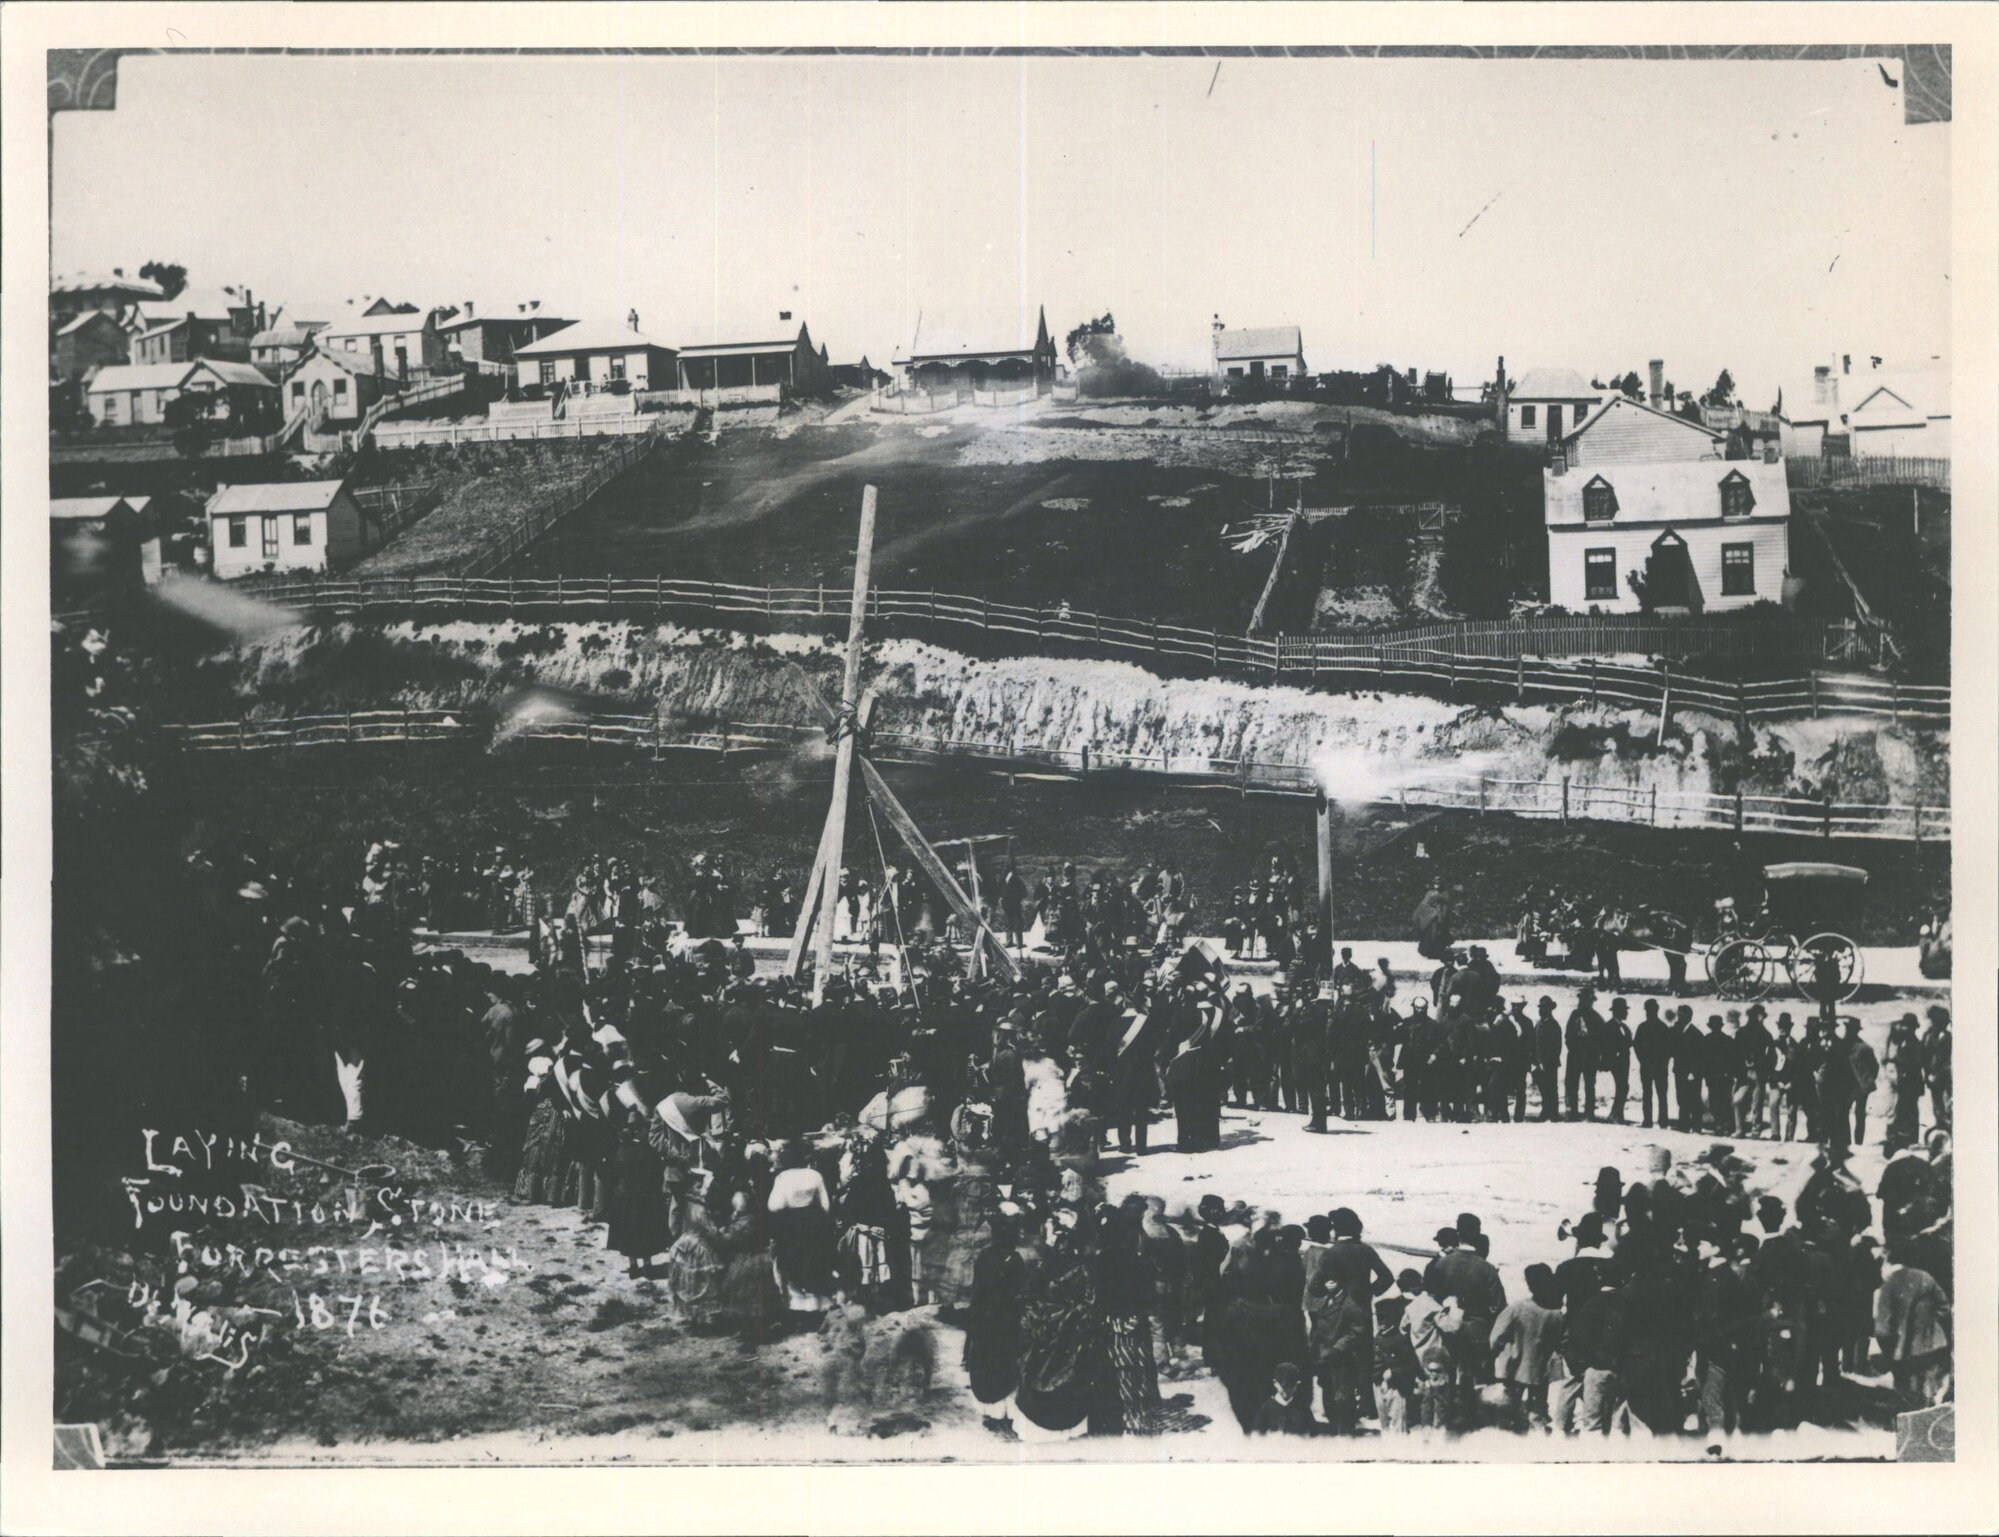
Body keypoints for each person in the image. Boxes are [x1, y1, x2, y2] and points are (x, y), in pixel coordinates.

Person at [964, 1213, 1029, 1430]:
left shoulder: (985, 1257)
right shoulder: (1015, 1259)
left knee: (988, 1364)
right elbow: (1021, 1291)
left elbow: (978, 1291)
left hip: (987, 1320)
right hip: (1006, 1320)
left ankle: (993, 1412)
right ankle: (1007, 1411)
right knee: (1006, 1364)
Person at [766, 1139, 838, 1321]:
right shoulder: (814, 1175)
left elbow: (774, 1205)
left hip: (791, 1226)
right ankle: (819, 1307)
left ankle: (799, 1310)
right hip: (814, 1225)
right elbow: (826, 1205)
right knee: (814, 1264)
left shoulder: (782, 1178)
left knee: (793, 1266)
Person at [1874, 1244, 1952, 1410]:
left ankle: (1908, 1420)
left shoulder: (1889, 1285)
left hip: (1904, 1348)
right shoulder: (1925, 1277)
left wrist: (1889, 1350)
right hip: (1933, 1342)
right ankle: (1927, 1414)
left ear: (1888, 1262)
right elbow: (1944, 1308)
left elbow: (1882, 1329)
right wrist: (1927, 1323)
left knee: (1906, 1390)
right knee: (1927, 1385)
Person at [1882, 1014, 1928, 1156]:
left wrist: (1897, 1062)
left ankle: (1910, 1139)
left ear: (1912, 1028)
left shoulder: (1914, 1043)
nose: (1904, 1028)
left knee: (1909, 1110)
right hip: (1906, 1083)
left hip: (1911, 1083)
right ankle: (1905, 1139)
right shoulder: (1905, 1041)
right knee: (1904, 1110)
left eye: (1907, 1026)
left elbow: (1917, 1063)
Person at [1251, 1362, 1317, 1437]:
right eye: (1284, 1387)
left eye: (1291, 1386)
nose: (1287, 1390)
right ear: (1275, 1383)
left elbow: (1313, 1437)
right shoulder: (1266, 1409)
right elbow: (1257, 1439)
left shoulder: (1303, 1409)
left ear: (1297, 1385)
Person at [1564, 988, 1601, 1120]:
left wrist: (1594, 1052)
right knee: (1571, 1084)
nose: (1585, 1003)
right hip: (1575, 1055)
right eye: (1583, 1000)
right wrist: (1575, 1049)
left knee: (1590, 1084)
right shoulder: (1574, 1015)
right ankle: (1572, 1111)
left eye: (1588, 1001)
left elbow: (1601, 1038)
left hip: (1590, 1056)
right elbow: (1568, 1036)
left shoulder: (1596, 1017)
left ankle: (1589, 1112)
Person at [1846, 1017, 1880, 1147]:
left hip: (1861, 1086)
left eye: (1851, 1030)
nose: (1848, 1032)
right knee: (1844, 1113)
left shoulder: (1864, 1048)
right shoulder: (1844, 1046)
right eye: (1848, 1029)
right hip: (1848, 1086)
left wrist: (1868, 1080)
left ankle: (1858, 1142)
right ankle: (1848, 1141)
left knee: (1859, 1114)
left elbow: (1875, 1066)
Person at [1532, 997, 1562, 1123]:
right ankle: (1545, 1111)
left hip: (1550, 1063)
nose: (1542, 1010)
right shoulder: (1538, 1024)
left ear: (1550, 1009)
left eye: (1545, 1008)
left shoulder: (1554, 1025)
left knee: (1551, 1087)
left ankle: (1553, 1113)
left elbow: (1556, 1047)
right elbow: (1534, 1043)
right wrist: (1536, 1060)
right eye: (1541, 1008)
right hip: (1539, 1063)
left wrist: (1547, 1062)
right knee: (1543, 1088)